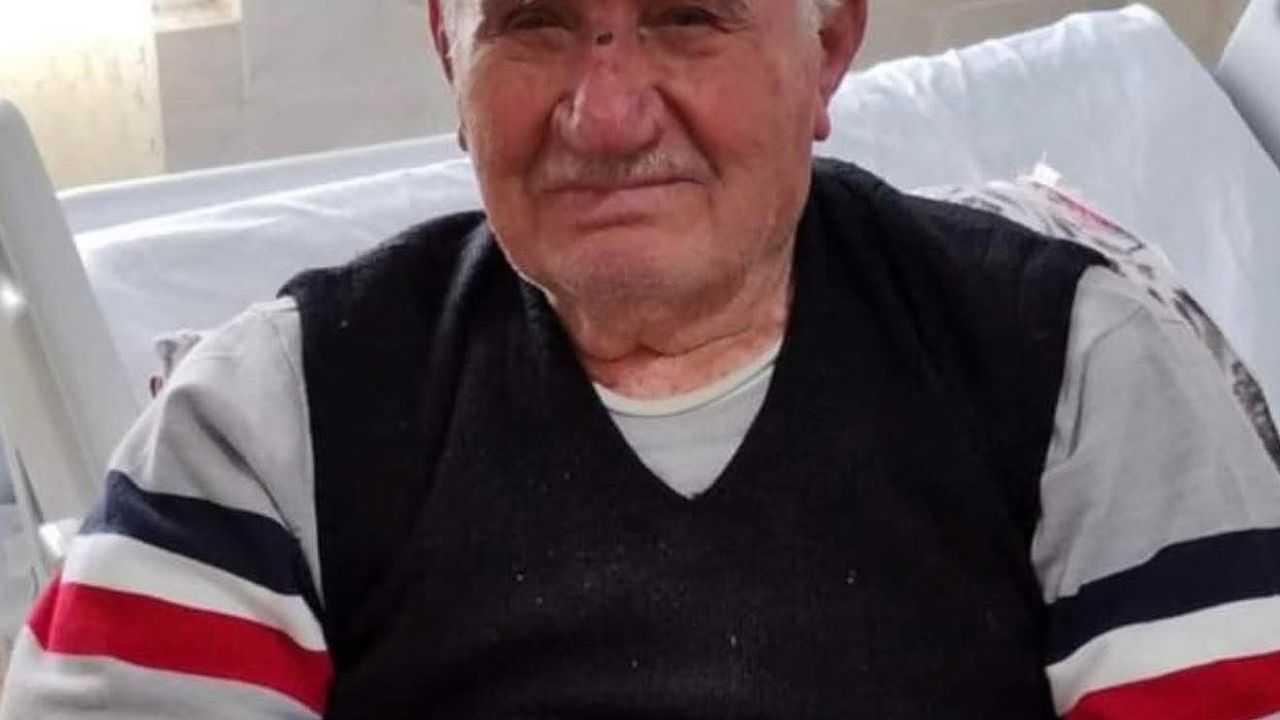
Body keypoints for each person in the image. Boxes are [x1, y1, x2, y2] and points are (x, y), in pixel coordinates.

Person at [3, 0, 1280, 716]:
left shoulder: (1077, 371)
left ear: (826, 47)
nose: (606, 114)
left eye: (687, 18)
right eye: (533, 22)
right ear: (451, 53)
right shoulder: (269, 421)